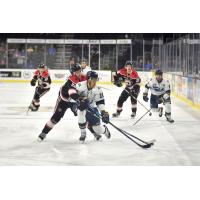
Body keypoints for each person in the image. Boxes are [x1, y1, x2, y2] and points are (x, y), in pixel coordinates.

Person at [38, 63, 87, 141]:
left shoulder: (84, 77)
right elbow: (72, 93)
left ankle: (85, 132)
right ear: (73, 73)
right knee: (56, 117)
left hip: (74, 99)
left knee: (82, 114)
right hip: (64, 100)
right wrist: (79, 99)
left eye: (79, 71)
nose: (79, 73)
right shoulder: (70, 79)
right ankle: (44, 132)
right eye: (76, 71)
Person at [76, 71, 111, 141]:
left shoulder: (98, 89)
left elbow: (100, 102)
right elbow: (74, 97)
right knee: (81, 112)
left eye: (96, 79)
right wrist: (80, 101)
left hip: (93, 108)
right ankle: (83, 133)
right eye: (93, 80)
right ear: (88, 79)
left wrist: (103, 112)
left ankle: (104, 130)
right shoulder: (79, 86)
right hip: (82, 107)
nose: (95, 82)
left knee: (98, 129)